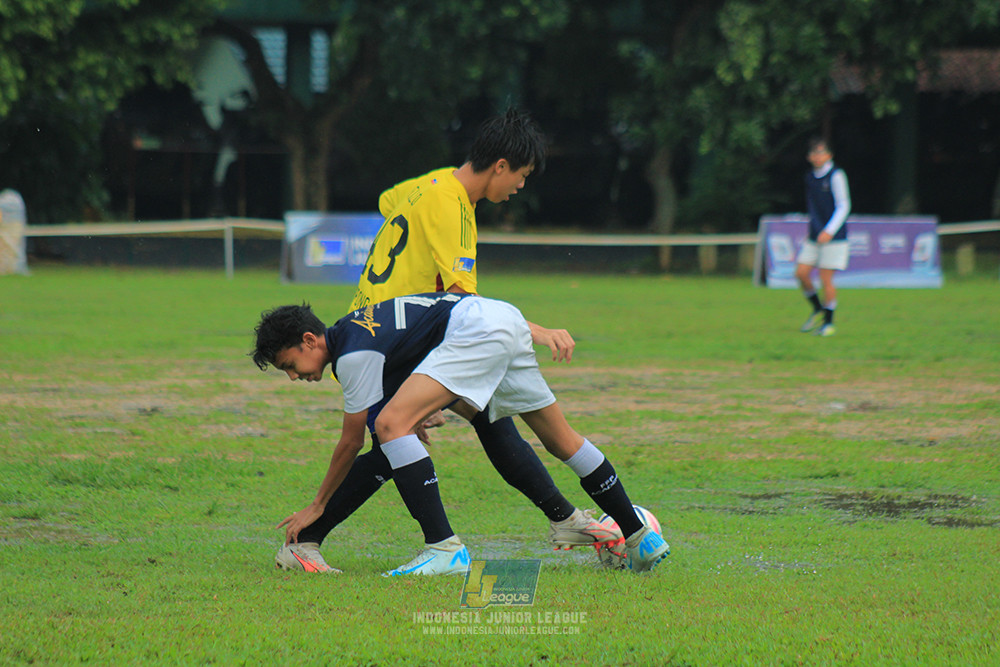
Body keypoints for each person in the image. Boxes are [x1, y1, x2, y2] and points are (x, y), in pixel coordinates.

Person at [272, 108, 616, 573]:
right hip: (392, 340)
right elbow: (464, 300)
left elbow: (387, 201)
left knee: (486, 415)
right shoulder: (452, 204)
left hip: (379, 324)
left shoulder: (431, 185)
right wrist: (535, 331)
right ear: (500, 165)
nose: (520, 186)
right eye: (521, 175)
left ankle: (564, 519)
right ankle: (309, 539)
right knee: (400, 436)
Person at [251, 293, 670, 574]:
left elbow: (351, 441)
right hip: (502, 318)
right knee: (561, 440)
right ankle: (637, 536)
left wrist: (317, 503)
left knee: (391, 427)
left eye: (289, 365)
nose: (292, 377)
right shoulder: (361, 326)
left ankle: (444, 549)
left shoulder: (354, 353)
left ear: (309, 339)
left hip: (474, 333)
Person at [796, 137, 851, 337]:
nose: (817, 157)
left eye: (821, 153)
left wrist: (829, 230)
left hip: (833, 237)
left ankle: (828, 323)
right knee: (801, 273)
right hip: (814, 235)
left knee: (825, 278)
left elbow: (844, 205)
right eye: (814, 153)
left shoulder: (836, 175)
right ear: (809, 157)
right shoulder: (810, 177)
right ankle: (818, 309)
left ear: (829, 155)